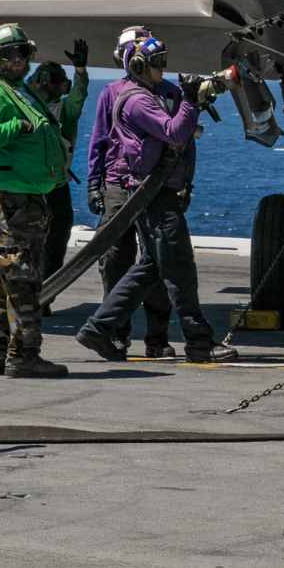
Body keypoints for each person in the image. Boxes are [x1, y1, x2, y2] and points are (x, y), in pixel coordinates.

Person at [76, 34, 237, 363]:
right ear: (137, 65)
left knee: (150, 267)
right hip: (151, 192)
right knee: (177, 268)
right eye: (157, 63)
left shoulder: (156, 94)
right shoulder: (136, 100)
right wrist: (191, 100)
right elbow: (176, 132)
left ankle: (100, 328)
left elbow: (183, 139)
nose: (163, 68)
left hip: (154, 189)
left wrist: (197, 95)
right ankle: (198, 341)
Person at [0, 23, 70, 378]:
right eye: (10, 54)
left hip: (24, 195)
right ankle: (25, 353)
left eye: (22, 53)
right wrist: (19, 128)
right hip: (11, 198)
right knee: (23, 278)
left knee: (0, 280)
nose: (18, 60)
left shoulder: (17, 90)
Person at [82, 26, 174, 357]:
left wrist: (183, 185)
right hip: (118, 187)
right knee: (114, 262)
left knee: (157, 262)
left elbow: (181, 139)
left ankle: (157, 337)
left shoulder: (168, 92)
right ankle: (116, 334)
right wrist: (95, 184)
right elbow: (99, 140)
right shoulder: (111, 93)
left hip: (152, 188)